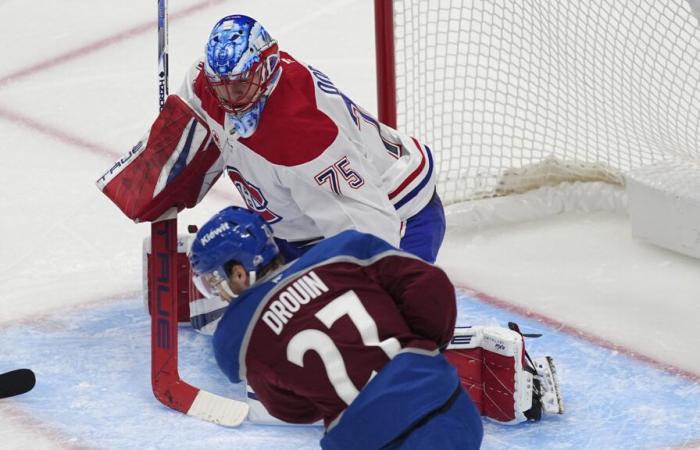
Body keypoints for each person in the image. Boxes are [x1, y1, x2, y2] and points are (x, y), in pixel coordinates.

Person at [97, 14, 444, 264]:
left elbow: (367, 227)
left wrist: (383, 291)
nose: (228, 98)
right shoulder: (208, 83)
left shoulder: (302, 133)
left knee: (370, 328)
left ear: (266, 68)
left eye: (238, 86)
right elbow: (185, 146)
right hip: (301, 223)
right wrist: (159, 177)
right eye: (222, 86)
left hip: (400, 214)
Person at [188, 206, 483, 449]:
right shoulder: (344, 250)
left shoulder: (235, 336)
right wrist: (420, 350)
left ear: (239, 272)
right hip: (446, 403)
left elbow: (288, 409)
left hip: (370, 439)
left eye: (215, 280)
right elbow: (430, 285)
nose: (217, 290)